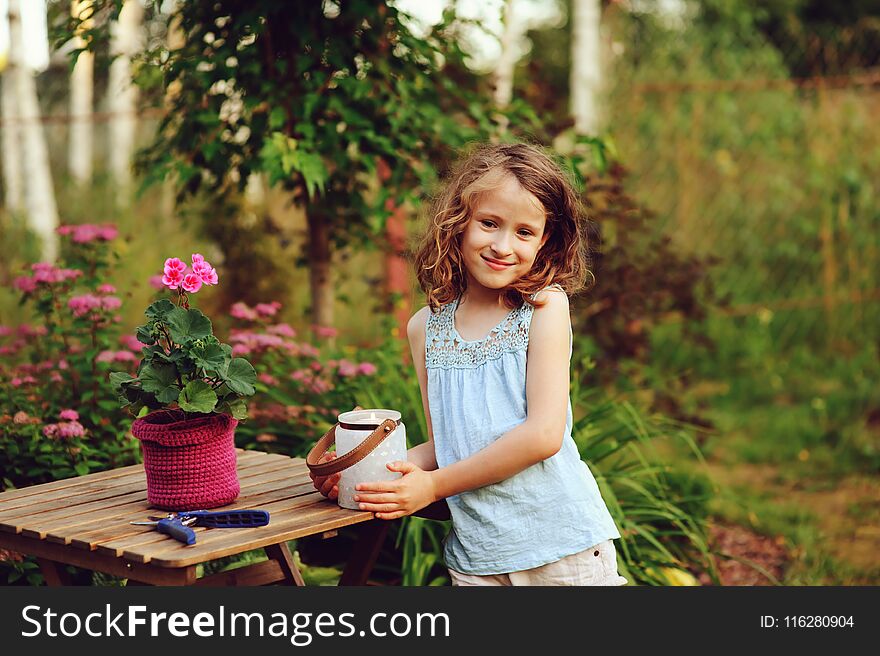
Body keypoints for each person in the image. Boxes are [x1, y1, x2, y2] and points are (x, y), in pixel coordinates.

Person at [310, 142, 628, 586]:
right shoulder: (425, 328)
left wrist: (434, 487)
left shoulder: (543, 308)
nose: (502, 245)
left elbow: (543, 435)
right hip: (477, 557)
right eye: (490, 223)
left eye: (524, 232)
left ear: (545, 242)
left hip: (561, 548)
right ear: (458, 223)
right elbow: (449, 444)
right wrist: (361, 474)